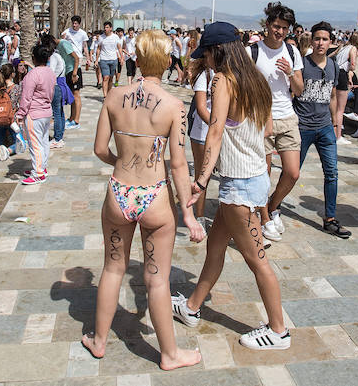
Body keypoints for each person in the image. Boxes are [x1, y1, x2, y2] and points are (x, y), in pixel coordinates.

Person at [82, 28, 205, 370]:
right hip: (154, 196)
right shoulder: (173, 106)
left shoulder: (114, 97)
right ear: (167, 62)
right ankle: (169, 354)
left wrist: (120, 163)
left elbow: (98, 149)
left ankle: (99, 340)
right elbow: (179, 165)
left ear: (135, 59)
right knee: (157, 280)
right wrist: (189, 214)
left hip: (119, 191)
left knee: (112, 268)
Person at [172, 21, 291, 351]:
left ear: (217, 52)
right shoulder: (255, 79)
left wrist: (200, 179)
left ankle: (279, 330)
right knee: (216, 245)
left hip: (240, 184)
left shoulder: (223, 80)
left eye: (206, 55)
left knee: (257, 261)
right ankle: (192, 307)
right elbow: (266, 129)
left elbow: (215, 130)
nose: (205, 61)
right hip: (252, 177)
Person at [250, 2, 304, 243]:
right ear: (267, 25)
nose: (279, 31)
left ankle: (272, 206)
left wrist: (291, 73)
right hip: (261, 117)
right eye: (275, 26)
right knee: (265, 173)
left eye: (284, 28)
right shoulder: (252, 51)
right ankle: (263, 218)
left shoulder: (292, 52)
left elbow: (300, 90)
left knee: (292, 173)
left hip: (288, 116)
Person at [294, 21, 352, 238]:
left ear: (331, 42)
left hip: (325, 127)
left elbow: (333, 96)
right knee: (292, 173)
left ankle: (330, 218)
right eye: (317, 38)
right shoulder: (301, 64)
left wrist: (337, 125)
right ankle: (273, 207)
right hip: (302, 127)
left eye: (324, 39)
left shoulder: (333, 66)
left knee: (332, 173)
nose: (320, 43)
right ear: (312, 40)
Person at [17, 44, 56, 185]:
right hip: (46, 112)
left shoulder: (32, 75)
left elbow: (26, 98)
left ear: (34, 58)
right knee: (43, 142)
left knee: (35, 144)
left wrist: (20, 114)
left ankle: (38, 173)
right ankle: (41, 167)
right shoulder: (50, 72)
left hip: (34, 114)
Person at [188, 58, 215, 221]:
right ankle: (199, 216)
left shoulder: (232, 71)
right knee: (202, 174)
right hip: (203, 130)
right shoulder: (204, 74)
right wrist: (219, 126)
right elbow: (201, 107)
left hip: (224, 130)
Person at [63, 16, 90, 128]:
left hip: (76, 63)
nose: (74, 25)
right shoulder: (67, 32)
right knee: (71, 93)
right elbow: (62, 41)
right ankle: (71, 117)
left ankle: (77, 120)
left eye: (76, 24)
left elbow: (85, 47)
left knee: (76, 93)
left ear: (79, 24)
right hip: (68, 64)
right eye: (73, 23)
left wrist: (88, 58)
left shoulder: (83, 34)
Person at [334, 33, 358, 144]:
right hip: (342, 74)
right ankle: (338, 136)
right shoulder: (353, 48)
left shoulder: (343, 47)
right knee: (340, 109)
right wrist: (351, 69)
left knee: (334, 107)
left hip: (335, 73)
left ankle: (334, 132)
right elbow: (353, 64)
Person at [95, 21, 122, 100]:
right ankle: (105, 96)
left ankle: (109, 94)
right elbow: (99, 48)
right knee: (105, 77)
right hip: (104, 60)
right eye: (105, 27)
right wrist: (96, 60)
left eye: (107, 27)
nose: (105, 29)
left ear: (111, 28)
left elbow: (119, 47)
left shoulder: (115, 37)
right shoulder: (101, 37)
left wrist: (121, 58)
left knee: (111, 78)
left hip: (113, 59)